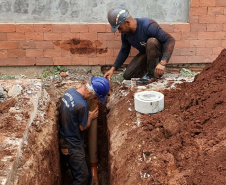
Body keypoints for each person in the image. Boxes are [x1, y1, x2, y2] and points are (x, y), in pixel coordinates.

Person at [104, 7, 175, 85]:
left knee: (152, 42)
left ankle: (152, 75)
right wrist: (113, 69)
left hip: (157, 54)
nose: (119, 31)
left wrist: (162, 63)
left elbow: (170, 40)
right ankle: (149, 72)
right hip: (145, 54)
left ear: (127, 23)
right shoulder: (125, 34)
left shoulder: (148, 25)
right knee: (127, 75)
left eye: (120, 28)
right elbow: (124, 51)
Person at [59, 76, 110, 185]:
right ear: (91, 94)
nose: (96, 100)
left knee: (86, 168)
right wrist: (90, 117)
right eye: (96, 98)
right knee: (82, 177)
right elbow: (83, 127)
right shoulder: (82, 106)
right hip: (72, 145)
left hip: (65, 136)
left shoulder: (70, 92)